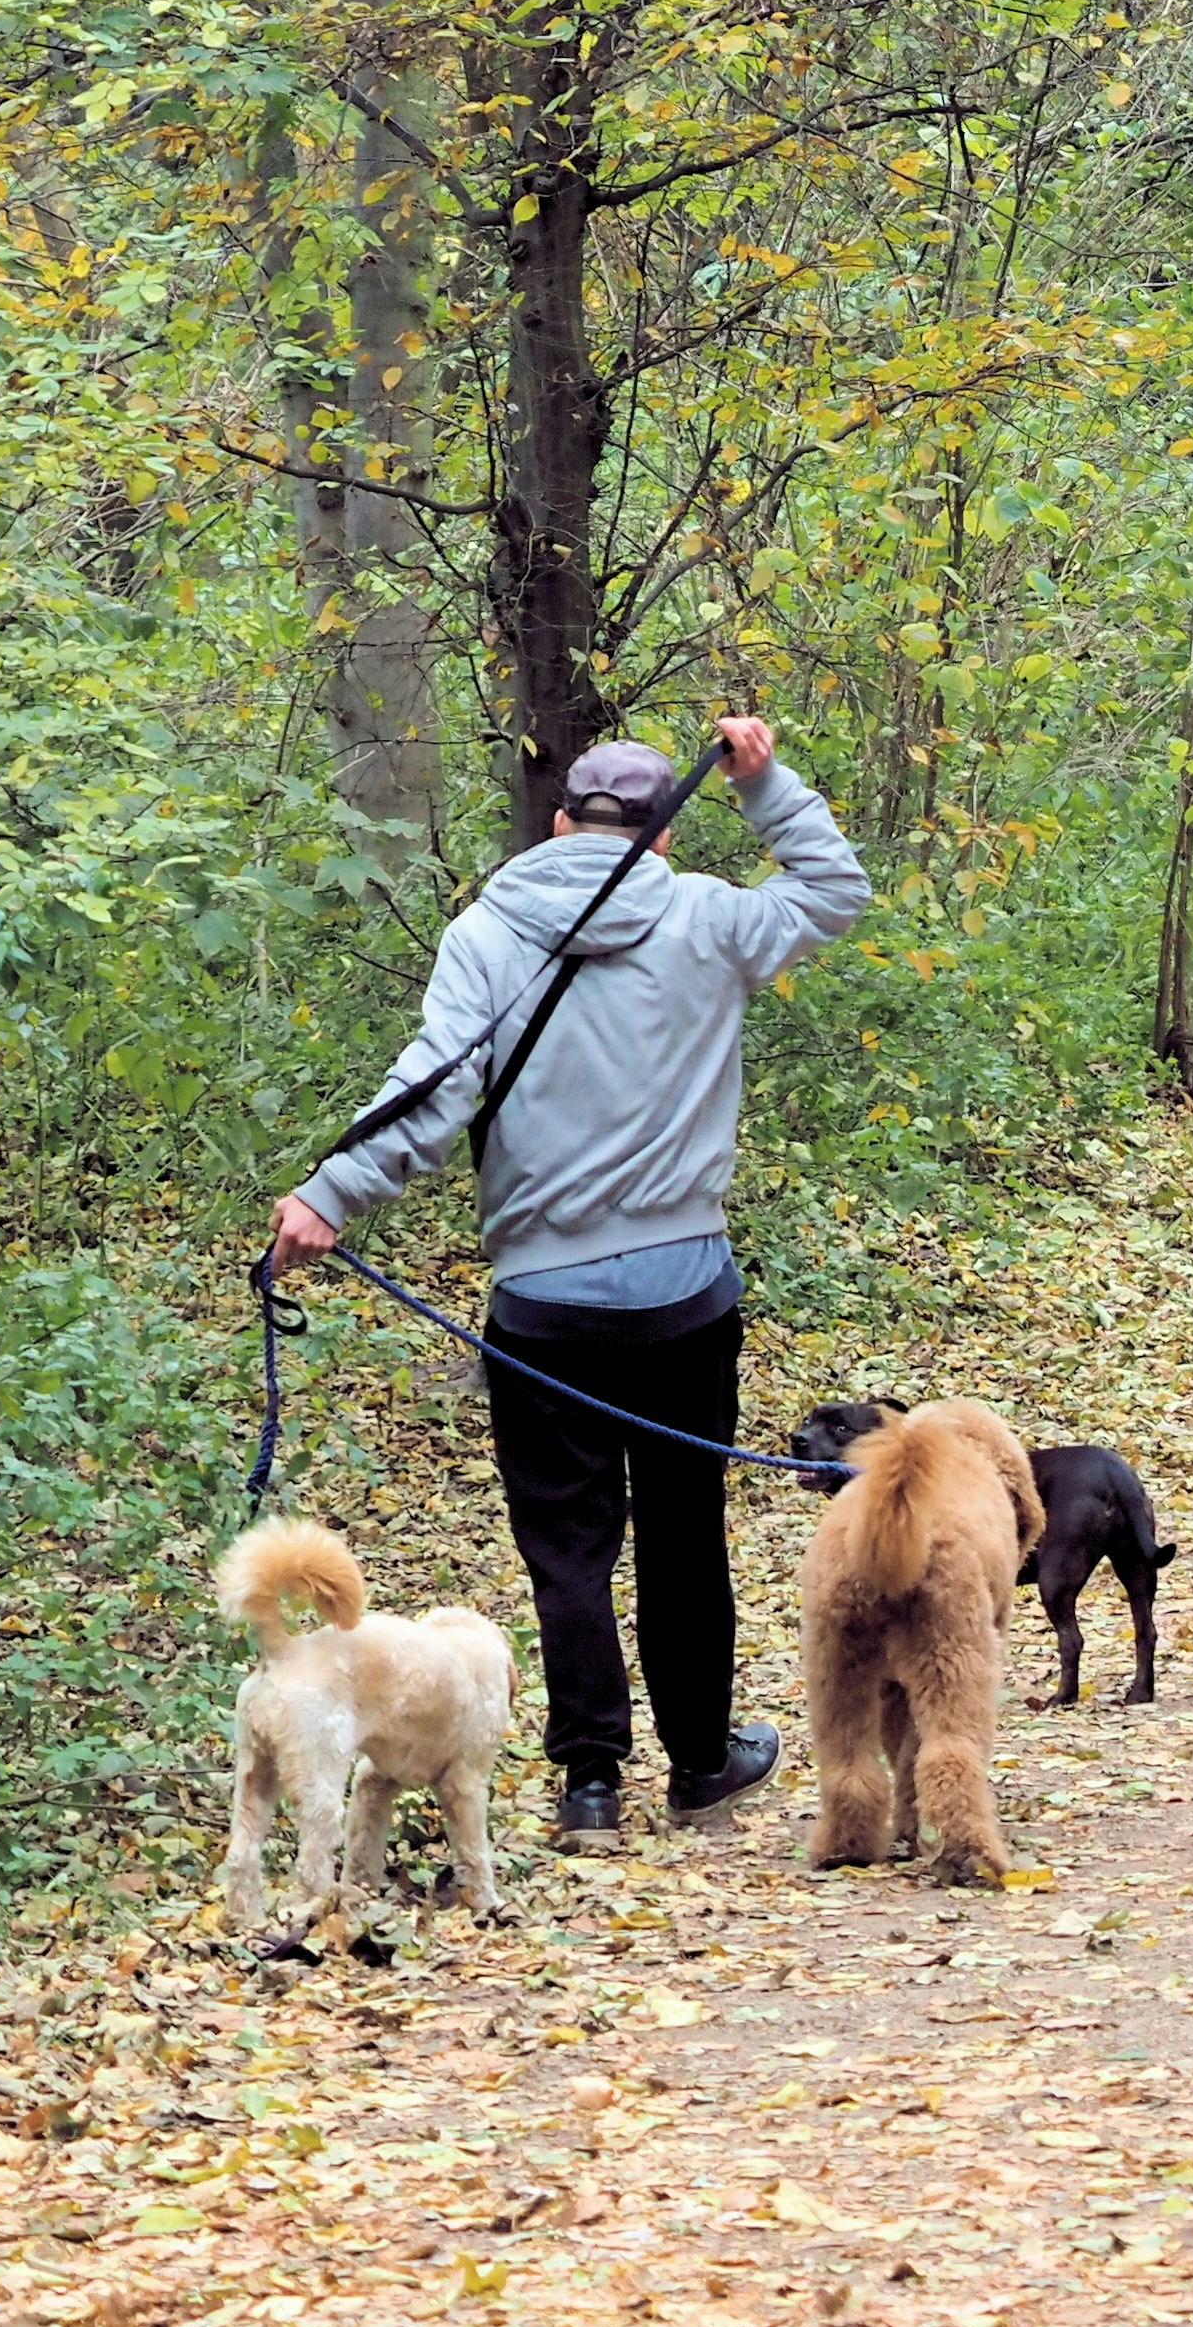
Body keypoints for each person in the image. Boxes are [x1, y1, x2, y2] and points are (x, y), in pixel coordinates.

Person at [268, 718, 869, 1849]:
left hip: (541, 1308)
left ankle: (590, 1782)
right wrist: (768, 783)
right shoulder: (709, 917)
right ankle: (701, 1763)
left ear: (559, 824)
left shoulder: (487, 932)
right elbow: (834, 889)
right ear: (664, 833)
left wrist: (328, 1197)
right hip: (689, 1291)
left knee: (567, 1549)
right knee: (685, 1534)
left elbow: (433, 1092)